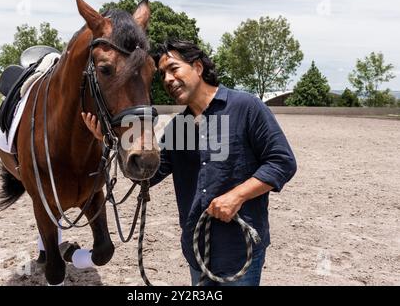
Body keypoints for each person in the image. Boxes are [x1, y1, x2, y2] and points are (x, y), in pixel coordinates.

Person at [82, 39, 297, 286]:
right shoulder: (179, 128)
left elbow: (282, 161)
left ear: (197, 67)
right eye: (162, 74)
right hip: (197, 250)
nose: (167, 79)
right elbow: (147, 176)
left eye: (174, 69)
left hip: (240, 250)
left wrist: (236, 196)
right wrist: (109, 140)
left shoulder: (244, 106)